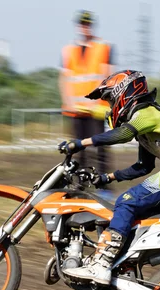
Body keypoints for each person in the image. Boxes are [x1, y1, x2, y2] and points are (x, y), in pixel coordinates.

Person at [58, 70, 160, 285]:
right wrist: (107, 178)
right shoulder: (146, 131)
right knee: (131, 218)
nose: (110, 107)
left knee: (126, 202)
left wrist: (79, 143)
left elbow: (121, 135)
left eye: (110, 100)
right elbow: (143, 167)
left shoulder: (146, 112)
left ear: (124, 93)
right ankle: (124, 266)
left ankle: (102, 265)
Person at [59, 10, 115, 198]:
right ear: (78, 26)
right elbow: (64, 78)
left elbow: (108, 76)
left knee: (100, 148)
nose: (85, 27)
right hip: (76, 111)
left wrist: (98, 101)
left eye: (88, 24)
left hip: (95, 109)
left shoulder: (103, 47)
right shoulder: (68, 50)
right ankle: (80, 186)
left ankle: (104, 187)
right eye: (82, 24)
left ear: (91, 26)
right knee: (78, 150)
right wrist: (68, 102)